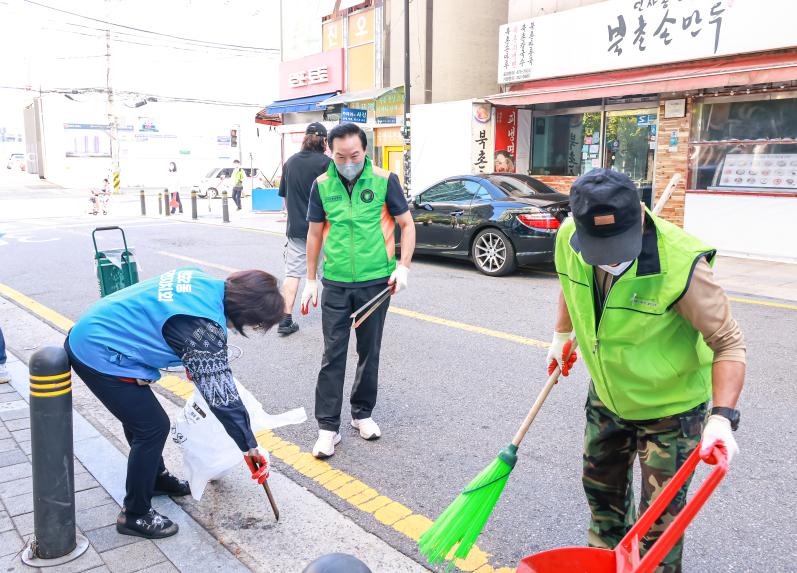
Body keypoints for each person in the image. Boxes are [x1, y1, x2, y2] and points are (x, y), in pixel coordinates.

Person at [549, 169, 745, 573]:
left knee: (658, 527)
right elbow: (570, 283)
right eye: (598, 249)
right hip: (607, 397)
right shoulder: (571, 237)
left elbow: (728, 343)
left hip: (669, 414)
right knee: (602, 503)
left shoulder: (682, 266)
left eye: (618, 247)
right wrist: (561, 334)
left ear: (640, 217)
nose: (610, 258)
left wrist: (722, 418)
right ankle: (605, 564)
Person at [65, 268, 282, 539]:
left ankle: (154, 479)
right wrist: (248, 445)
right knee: (151, 427)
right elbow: (221, 396)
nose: (250, 329)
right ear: (246, 312)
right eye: (256, 324)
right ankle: (134, 514)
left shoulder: (204, 282)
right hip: (100, 351)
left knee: (142, 419)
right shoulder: (202, 330)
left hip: (99, 329)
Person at [303, 123, 416, 458]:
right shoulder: (321, 185)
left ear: (365, 150)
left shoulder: (384, 181)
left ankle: (362, 414)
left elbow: (407, 225)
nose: (348, 161)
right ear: (330, 153)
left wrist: (403, 266)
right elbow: (313, 234)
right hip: (336, 283)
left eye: (354, 155)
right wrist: (311, 279)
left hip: (375, 283)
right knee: (332, 354)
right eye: (340, 156)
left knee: (370, 351)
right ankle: (327, 429)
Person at [276, 122, 331, 336]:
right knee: (329, 275)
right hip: (323, 230)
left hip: (297, 230)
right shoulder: (327, 164)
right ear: (324, 141)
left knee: (293, 274)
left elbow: (285, 198)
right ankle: (336, 314)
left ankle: (285, 319)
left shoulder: (290, 163)